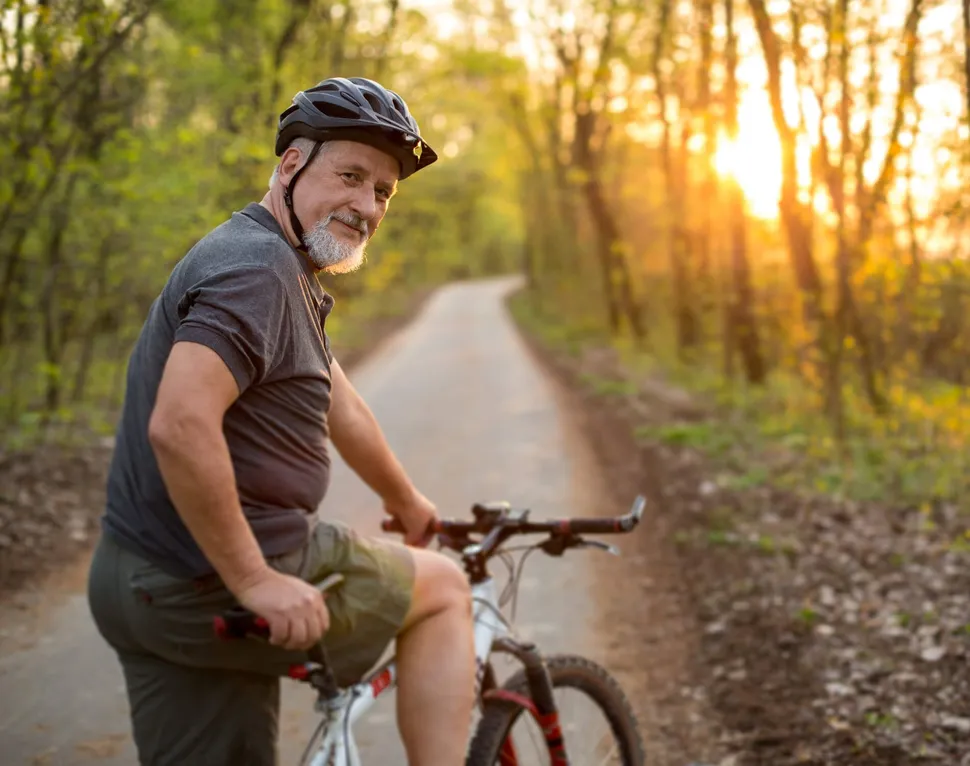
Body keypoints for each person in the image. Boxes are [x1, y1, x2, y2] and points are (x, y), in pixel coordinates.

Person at [86, 77, 475, 766]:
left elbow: (338, 400)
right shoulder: (259, 272)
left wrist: (405, 502)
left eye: (383, 191)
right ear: (291, 165)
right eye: (351, 176)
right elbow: (179, 424)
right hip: (206, 578)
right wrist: (254, 579)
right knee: (443, 590)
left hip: (138, 579)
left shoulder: (271, 261)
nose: (366, 205)